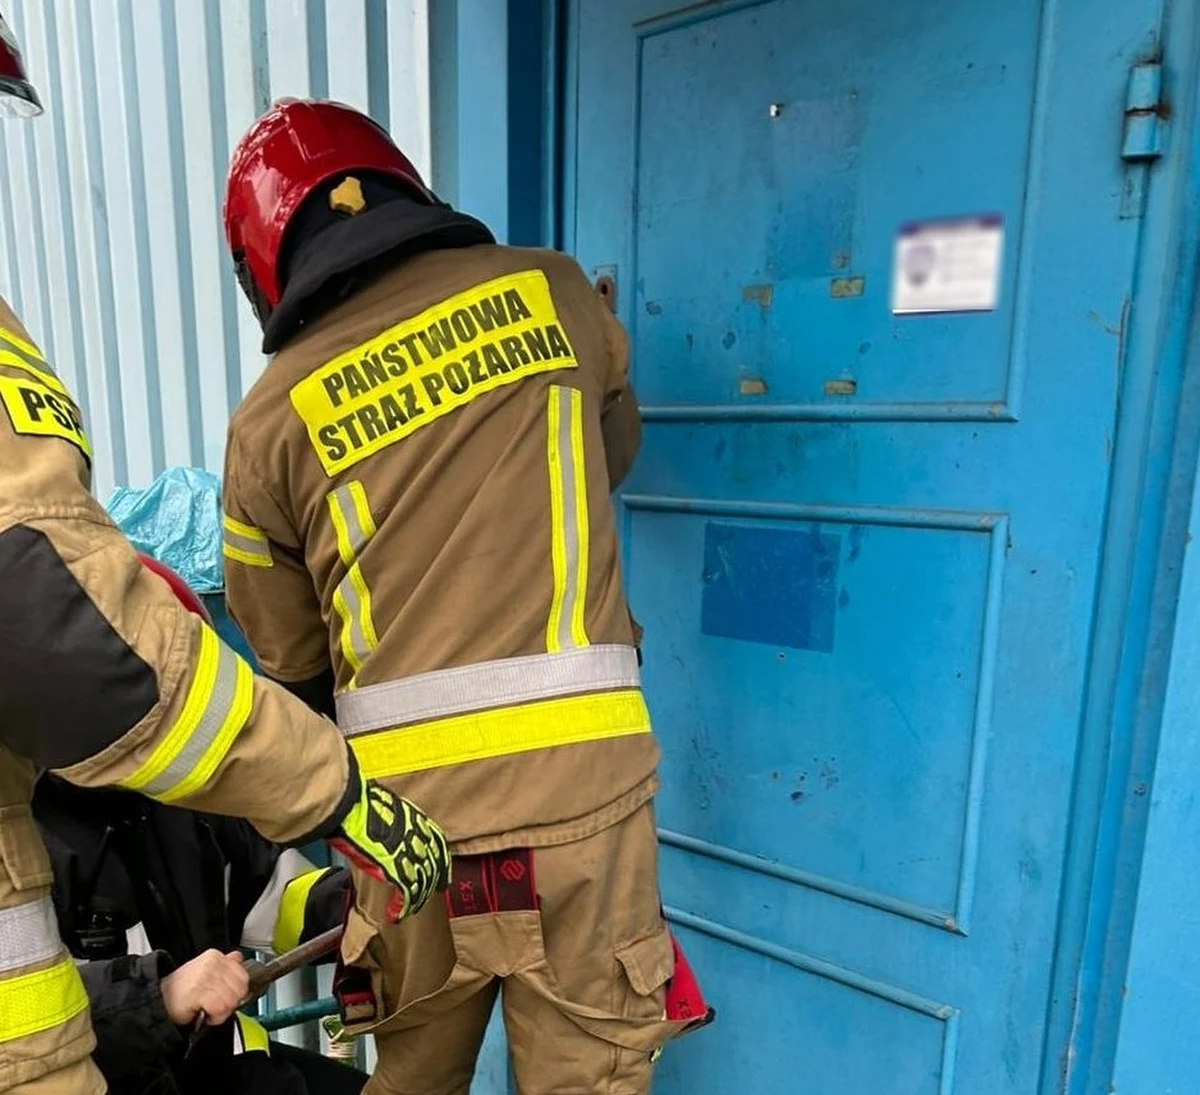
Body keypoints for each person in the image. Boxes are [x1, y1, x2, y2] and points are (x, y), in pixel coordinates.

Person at [219, 98, 704, 1095]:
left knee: (410, 1080)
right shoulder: (558, 294)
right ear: (402, 188)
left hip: (409, 842)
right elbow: (606, 452)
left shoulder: (266, 425)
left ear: (263, 265)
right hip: (588, 810)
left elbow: (291, 662)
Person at [0, 23, 450, 1095]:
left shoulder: (170, 788)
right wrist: (159, 995)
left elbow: (257, 895)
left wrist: (343, 904)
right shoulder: (54, 796)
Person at [33, 555, 366, 1095]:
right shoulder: (19, 836)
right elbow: (24, 1023)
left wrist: (359, 904)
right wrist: (157, 996)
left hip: (209, 1074)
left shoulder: (184, 803)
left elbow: (279, 897)